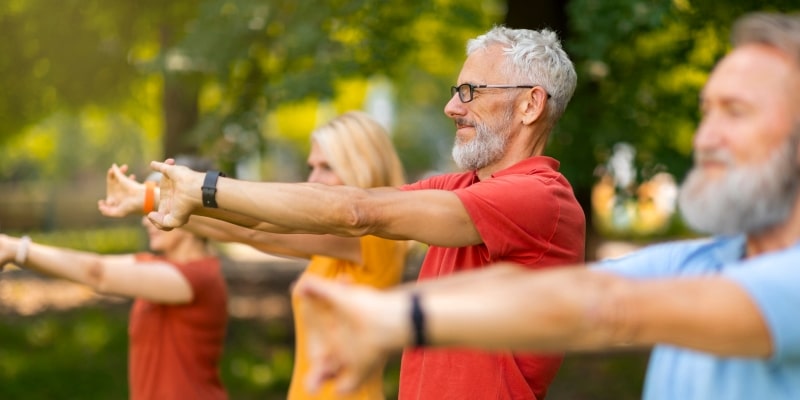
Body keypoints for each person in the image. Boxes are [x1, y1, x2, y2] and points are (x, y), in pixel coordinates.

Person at [293, 12, 800, 400]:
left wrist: (394, 319)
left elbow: (606, 310)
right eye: (705, 111)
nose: (705, 137)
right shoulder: (708, 261)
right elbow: (574, 289)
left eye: (736, 112)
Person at [145, 26, 585, 399]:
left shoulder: (539, 198)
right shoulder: (463, 186)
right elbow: (283, 222)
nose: (452, 106)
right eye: (456, 92)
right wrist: (168, 198)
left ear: (530, 104)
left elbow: (358, 211)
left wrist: (205, 188)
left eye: (470, 91)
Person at [99, 111, 409, 400]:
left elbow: (257, 231)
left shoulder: (370, 237)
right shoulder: (334, 248)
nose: (314, 179)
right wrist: (150, 199)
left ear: (363, 168)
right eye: (311, 166)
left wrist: (154, 197)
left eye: (327, 167)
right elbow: (243, 230)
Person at [0, 156, 228, 400]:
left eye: (161, 204)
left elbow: (97, 273)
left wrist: (15, 249)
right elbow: (91, 265)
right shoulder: (155, 265)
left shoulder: (199, 277)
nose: (146, 219)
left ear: (192, 212)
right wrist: (14, 251)